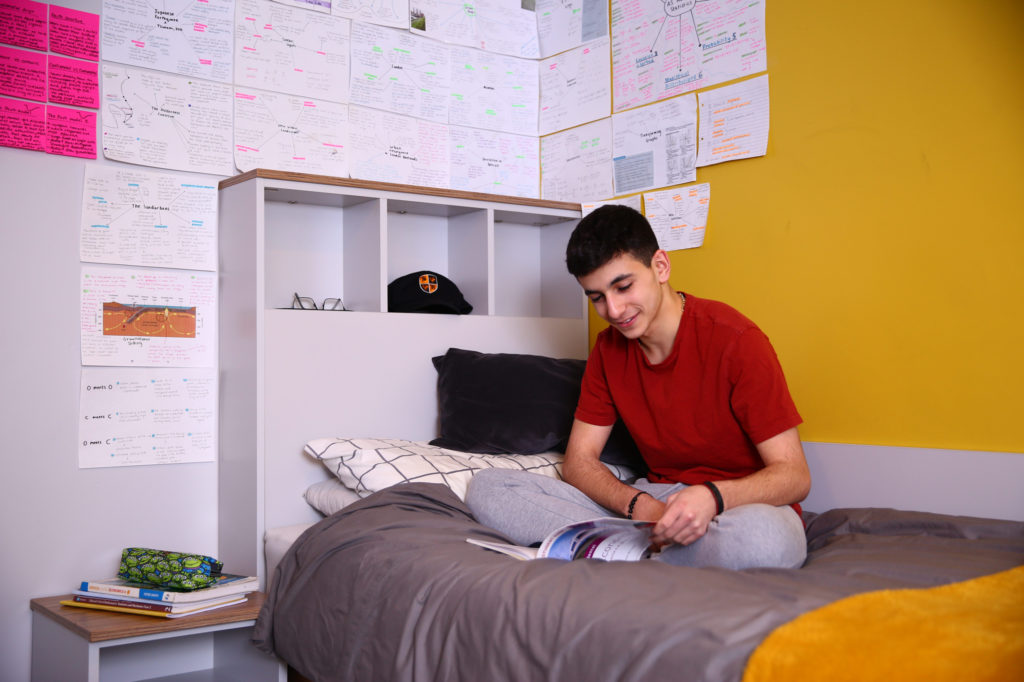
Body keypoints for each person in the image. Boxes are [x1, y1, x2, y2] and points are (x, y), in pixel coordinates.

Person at [465, 204, 811, 570]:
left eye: (623, 286)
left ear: (660, 267)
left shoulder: (737, 340)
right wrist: (642, 507)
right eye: (596, 297)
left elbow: (794, 475)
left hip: (733, 506)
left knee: (770, 543)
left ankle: (623, 552)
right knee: (490, 489)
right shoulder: (608, 350)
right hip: (652, 502)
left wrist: (710, 498)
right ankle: (647, 550)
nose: (613, 310)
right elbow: (579, 463)